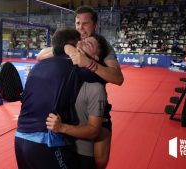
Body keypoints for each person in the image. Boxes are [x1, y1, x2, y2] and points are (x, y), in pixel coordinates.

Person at [38, 6, 124, 169]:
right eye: (78, 23)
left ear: (95, 25)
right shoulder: (70, 39)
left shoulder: (102, 44)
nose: (80, 28)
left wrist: (90, 63)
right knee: (67, 156)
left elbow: (118, 78)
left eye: (85, 24)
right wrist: (67, 48)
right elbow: (40, 55)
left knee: (99, 161)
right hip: (68, 105)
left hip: (95, 105)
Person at [15, 28, 105, 169]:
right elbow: (114, 78)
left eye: (88, 43)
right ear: (72, 45)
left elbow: (41, 55)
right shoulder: (75, 66)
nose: (82, 43)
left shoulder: (38, 66)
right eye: (80, 42)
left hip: (19, 138)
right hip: (45, 142)